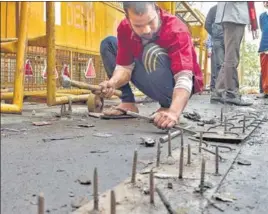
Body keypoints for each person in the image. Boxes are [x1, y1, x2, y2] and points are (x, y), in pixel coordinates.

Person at [96, 2, 203, 129]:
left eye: (151, 22)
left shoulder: (176, 29)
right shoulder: (124, 28)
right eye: (138, 26)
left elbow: (184, 78)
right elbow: (124, 68)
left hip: (176, 85)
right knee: (109, 44)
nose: (146, 30)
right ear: (128, 19)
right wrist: (113, 83)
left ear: (157, 10)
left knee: (151, 51)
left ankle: (167, 105)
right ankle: (128, 102)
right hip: (150, 74)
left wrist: (174, 112)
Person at [212, 2, 258, 106]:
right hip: (234, 16)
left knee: (229, 57)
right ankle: (231, 94)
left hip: (231, 16)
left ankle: (218, 92)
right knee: (232, 58)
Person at [205, 4, 224, 93]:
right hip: (217, 41)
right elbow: (207, 25)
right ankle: (216, 88)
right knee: (217, 65)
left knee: (221, 65)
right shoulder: (214, 9)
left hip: (224, 41)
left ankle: (220, 88)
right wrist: (215, 35)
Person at [258, 2, 268, 98]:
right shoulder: (262, 16)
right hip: (265, 44)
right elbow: (263, 29)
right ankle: (266, 90)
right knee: (265, 70)